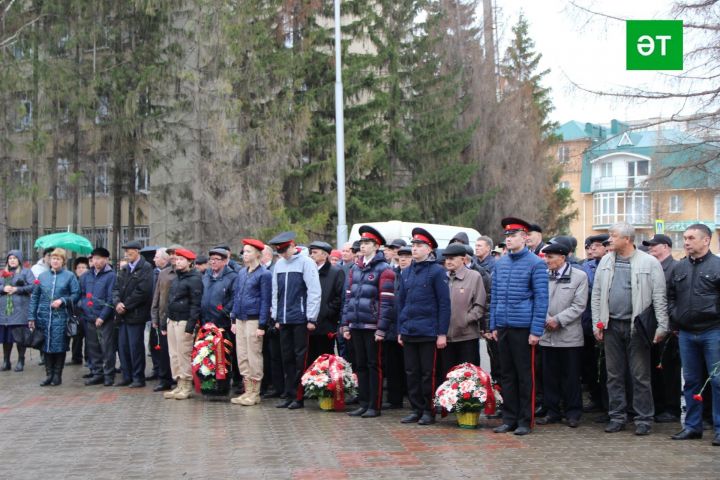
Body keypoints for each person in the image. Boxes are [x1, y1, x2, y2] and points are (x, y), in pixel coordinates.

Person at [592, 222, 668, 436]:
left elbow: (659, 296)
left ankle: (643, 419)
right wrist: (597, 323)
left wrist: (662, 325)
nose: (609, 240)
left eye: (613, 236)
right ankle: (617, 416)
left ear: (627, 239)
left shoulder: (649, 262)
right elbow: (597, 294)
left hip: (638, 327)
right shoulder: (606, 261)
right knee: (613, 375)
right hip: (611, 326)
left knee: (640, 375)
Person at [490, 217, 548, 436]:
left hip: (523, 327)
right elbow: (495, 296)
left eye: (513, 236)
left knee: (525, 376)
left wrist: (536, 331)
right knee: (507, 375)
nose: (509, 240)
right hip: (504, 326)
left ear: (524, 237)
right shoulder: (501, 263)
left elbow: (541, 299)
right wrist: (494, 324)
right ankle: (509, 418)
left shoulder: (536, 264)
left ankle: (525, 420)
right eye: (507, 236)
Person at [668, 224, 720, 446]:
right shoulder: (679, 268)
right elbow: (670, 296)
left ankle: (719, 429)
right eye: (684, 238)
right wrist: (675, 316)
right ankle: (692, 427)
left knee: (717, 381)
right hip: (686, 333)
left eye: (691, 238)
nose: (686, 242)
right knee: (691, 382)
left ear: (706, 240)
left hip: (713, 332)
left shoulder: (718, 266)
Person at [397, 227, 450, 426]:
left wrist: (442, 333)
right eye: (414, 245)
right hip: (410, 330)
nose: (415, 248)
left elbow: (444, 304)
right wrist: (400, 329)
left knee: (428, 373)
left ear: (429, 249)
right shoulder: (407, 271)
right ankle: (416, 409)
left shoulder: (436, 271)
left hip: (428, 332)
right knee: (411, 372)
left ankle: (429, 410)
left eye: (419, 245)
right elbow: (401, 302)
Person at [341, 227, 395, 418]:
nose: (363, 246)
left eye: (367, 243)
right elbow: (349, 298)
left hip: (372, 326)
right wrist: (346, 323)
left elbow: (387, 301)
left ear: (376, 246)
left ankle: (374, 405)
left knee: (374, 365)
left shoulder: (384, 269)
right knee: (360, 365)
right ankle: (363, 403)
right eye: (361, 243)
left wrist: (381, 328)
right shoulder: (355, 268)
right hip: (356, 324)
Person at [536, 242, 588, 428]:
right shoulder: (543, 275)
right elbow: (538, 300)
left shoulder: (579, 276)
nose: (546, 260)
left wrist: (557, 319)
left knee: (571, 377)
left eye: (550, 257)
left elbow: (579, 305)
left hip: (569, 337)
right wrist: (546, 318)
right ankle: (552, 412)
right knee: (549, 377)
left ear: (562, 258)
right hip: (547, 336)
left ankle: (573, 413)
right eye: (545, 257)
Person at [268, 231, 321, 410]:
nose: (282, 254)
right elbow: (275, 292)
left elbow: (314, 291)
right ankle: (289, 394)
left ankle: (299, 396)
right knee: (286, 358)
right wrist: (275, 316)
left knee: (300, 359)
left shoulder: (306, 263)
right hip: (284, 319)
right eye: (279, 251)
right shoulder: (279, 265)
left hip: (300, 318)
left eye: (284, 250)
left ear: (292, 246)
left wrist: (311, 317)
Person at [642, 234, 681, 424]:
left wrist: (672, 324)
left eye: (654, 245)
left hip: (669, 327)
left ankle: (671, 408)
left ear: (666, 246)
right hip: (651, 324)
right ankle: (657, 406)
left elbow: (675, 298)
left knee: (669, 370)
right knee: (653, 369)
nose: (650, 248)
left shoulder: (674, 268)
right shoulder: (651, 266)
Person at [28, 248, 80, 386]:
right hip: (44, 318)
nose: (55, 261)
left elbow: (76, 294)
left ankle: (57, 375)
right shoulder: (43, 277)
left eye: (58, 259)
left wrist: (62, 300)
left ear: (63, 261)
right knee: (45, 346)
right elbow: (35, 297)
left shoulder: (69, 276)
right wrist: (31, 317)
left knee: (59, 346)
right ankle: (48, 374)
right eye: (53, 258)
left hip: (61, 317)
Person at [229, 239, 271, 406]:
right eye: (244, 251)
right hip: (240, 318)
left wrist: (262, 325)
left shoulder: (264, 274)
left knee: (254, 355)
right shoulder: (241, 272)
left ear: (258, 254)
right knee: (242, 355)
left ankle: (255, 392)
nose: (244, 254)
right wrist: (233, 318)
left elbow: (265, 301)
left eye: (248, 251)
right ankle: (247, 390)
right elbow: (236, 296)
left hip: (253, 319)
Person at [112, 240, 154, 388]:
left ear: (137, 251)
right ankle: (126, 375)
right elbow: (116, 288)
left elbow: (143, 291)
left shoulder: (146, 268)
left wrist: (126, 305)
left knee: (135, 347)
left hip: (136, 314)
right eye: (126, 251)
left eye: (130, 251)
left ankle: (138, 377)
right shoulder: (124, 270)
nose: (127, 254)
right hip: (122, 315)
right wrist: (117, 303)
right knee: (123, 346)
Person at [163, 248, 203, 400]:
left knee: (183, 353)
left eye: (181, 259)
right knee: (174, 354)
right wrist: (164, 322)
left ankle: (186, 385)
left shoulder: (194, 279)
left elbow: (195, 304)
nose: (177, 262)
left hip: (184, 321)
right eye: (176, 259)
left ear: (190, 262)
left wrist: (190, 326)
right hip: (172, 320)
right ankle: (179, 383)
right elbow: (170, 301)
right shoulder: (177, 278)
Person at [441, 243, 485, 377]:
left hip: (467, 337)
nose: (448, 261)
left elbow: (480, 305)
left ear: (463, 259)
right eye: (447, 258)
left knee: (469, 377)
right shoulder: (442, 277)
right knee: (448, 376)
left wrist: (464, 320)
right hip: (446, 338)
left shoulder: (474, 276)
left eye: (452, 258)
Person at [201, 247, 239, 396]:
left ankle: (224, 386)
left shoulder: (232, 277)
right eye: (211, 259)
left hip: (222, 323)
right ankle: (209, 383)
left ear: (224, 261)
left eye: (217, 259)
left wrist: (223, 311)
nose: (213, 262)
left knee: (224, 356)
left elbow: (234, 298)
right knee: (207, 353)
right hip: (206, 321)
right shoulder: (206, 275)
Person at [580, 234, 609, 415]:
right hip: (587, 322)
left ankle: (607, 404)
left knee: (606, 367)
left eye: (597, 246)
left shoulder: (609, 265)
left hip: (605, 322)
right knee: (590, 365)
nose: (592, 249)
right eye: (590, 246)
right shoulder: (586, 266)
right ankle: (596, 398)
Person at [79, 247, 118, 386]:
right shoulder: (86, 276)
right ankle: (97, 373)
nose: (96, 261)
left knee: (107, 347)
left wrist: (102, 317)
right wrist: (87, 310)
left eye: (99, 258)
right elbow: (82, 296)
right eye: (94, 258)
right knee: (92, 347)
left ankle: (109, 374)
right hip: (89, 317)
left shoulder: (111, 276)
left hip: (104, 319)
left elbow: (110, 299)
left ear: (106, 259)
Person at [308, 241, 344, 362]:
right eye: (310, 252)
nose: (311, 255)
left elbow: (339, 297)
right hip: (308, 322)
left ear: (324, 255)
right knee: (310, 357)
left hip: (326, 324)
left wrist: (327, 311)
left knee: (325, 358)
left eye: (314, 252)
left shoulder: (335, 272)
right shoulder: (308, 271)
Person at [0, 250, 35, 372]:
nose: (12, 260)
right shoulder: (3, 273)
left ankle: (21, 360)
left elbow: (33, 286)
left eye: (15, 258)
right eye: (10, 258)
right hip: (5, 312)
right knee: (6, 338)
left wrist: (17, 289)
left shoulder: (26, 272)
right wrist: (3, 288)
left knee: (20, 337)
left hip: (20, 310)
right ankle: (6, 361)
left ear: (19, 260)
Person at [150, 247, 178, 392]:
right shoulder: (164, 273)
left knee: (179, 352)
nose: (173, 257)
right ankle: (164, 379)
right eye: (171, 254)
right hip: (164, 318)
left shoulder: (188, 274)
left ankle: (180, 379)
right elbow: (157, 296)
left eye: (176, 254)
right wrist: (154, 316)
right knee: (164, 352)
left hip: (180, 319)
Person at [68, 256, 90, 366]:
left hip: (86, 312)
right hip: (75, 312)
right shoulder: (72, 280)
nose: (81, 269)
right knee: (76, 336)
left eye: (83, 267)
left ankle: (88, 358)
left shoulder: (89, 280)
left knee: (88, 337)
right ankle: (76, 357)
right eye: (78, 267)